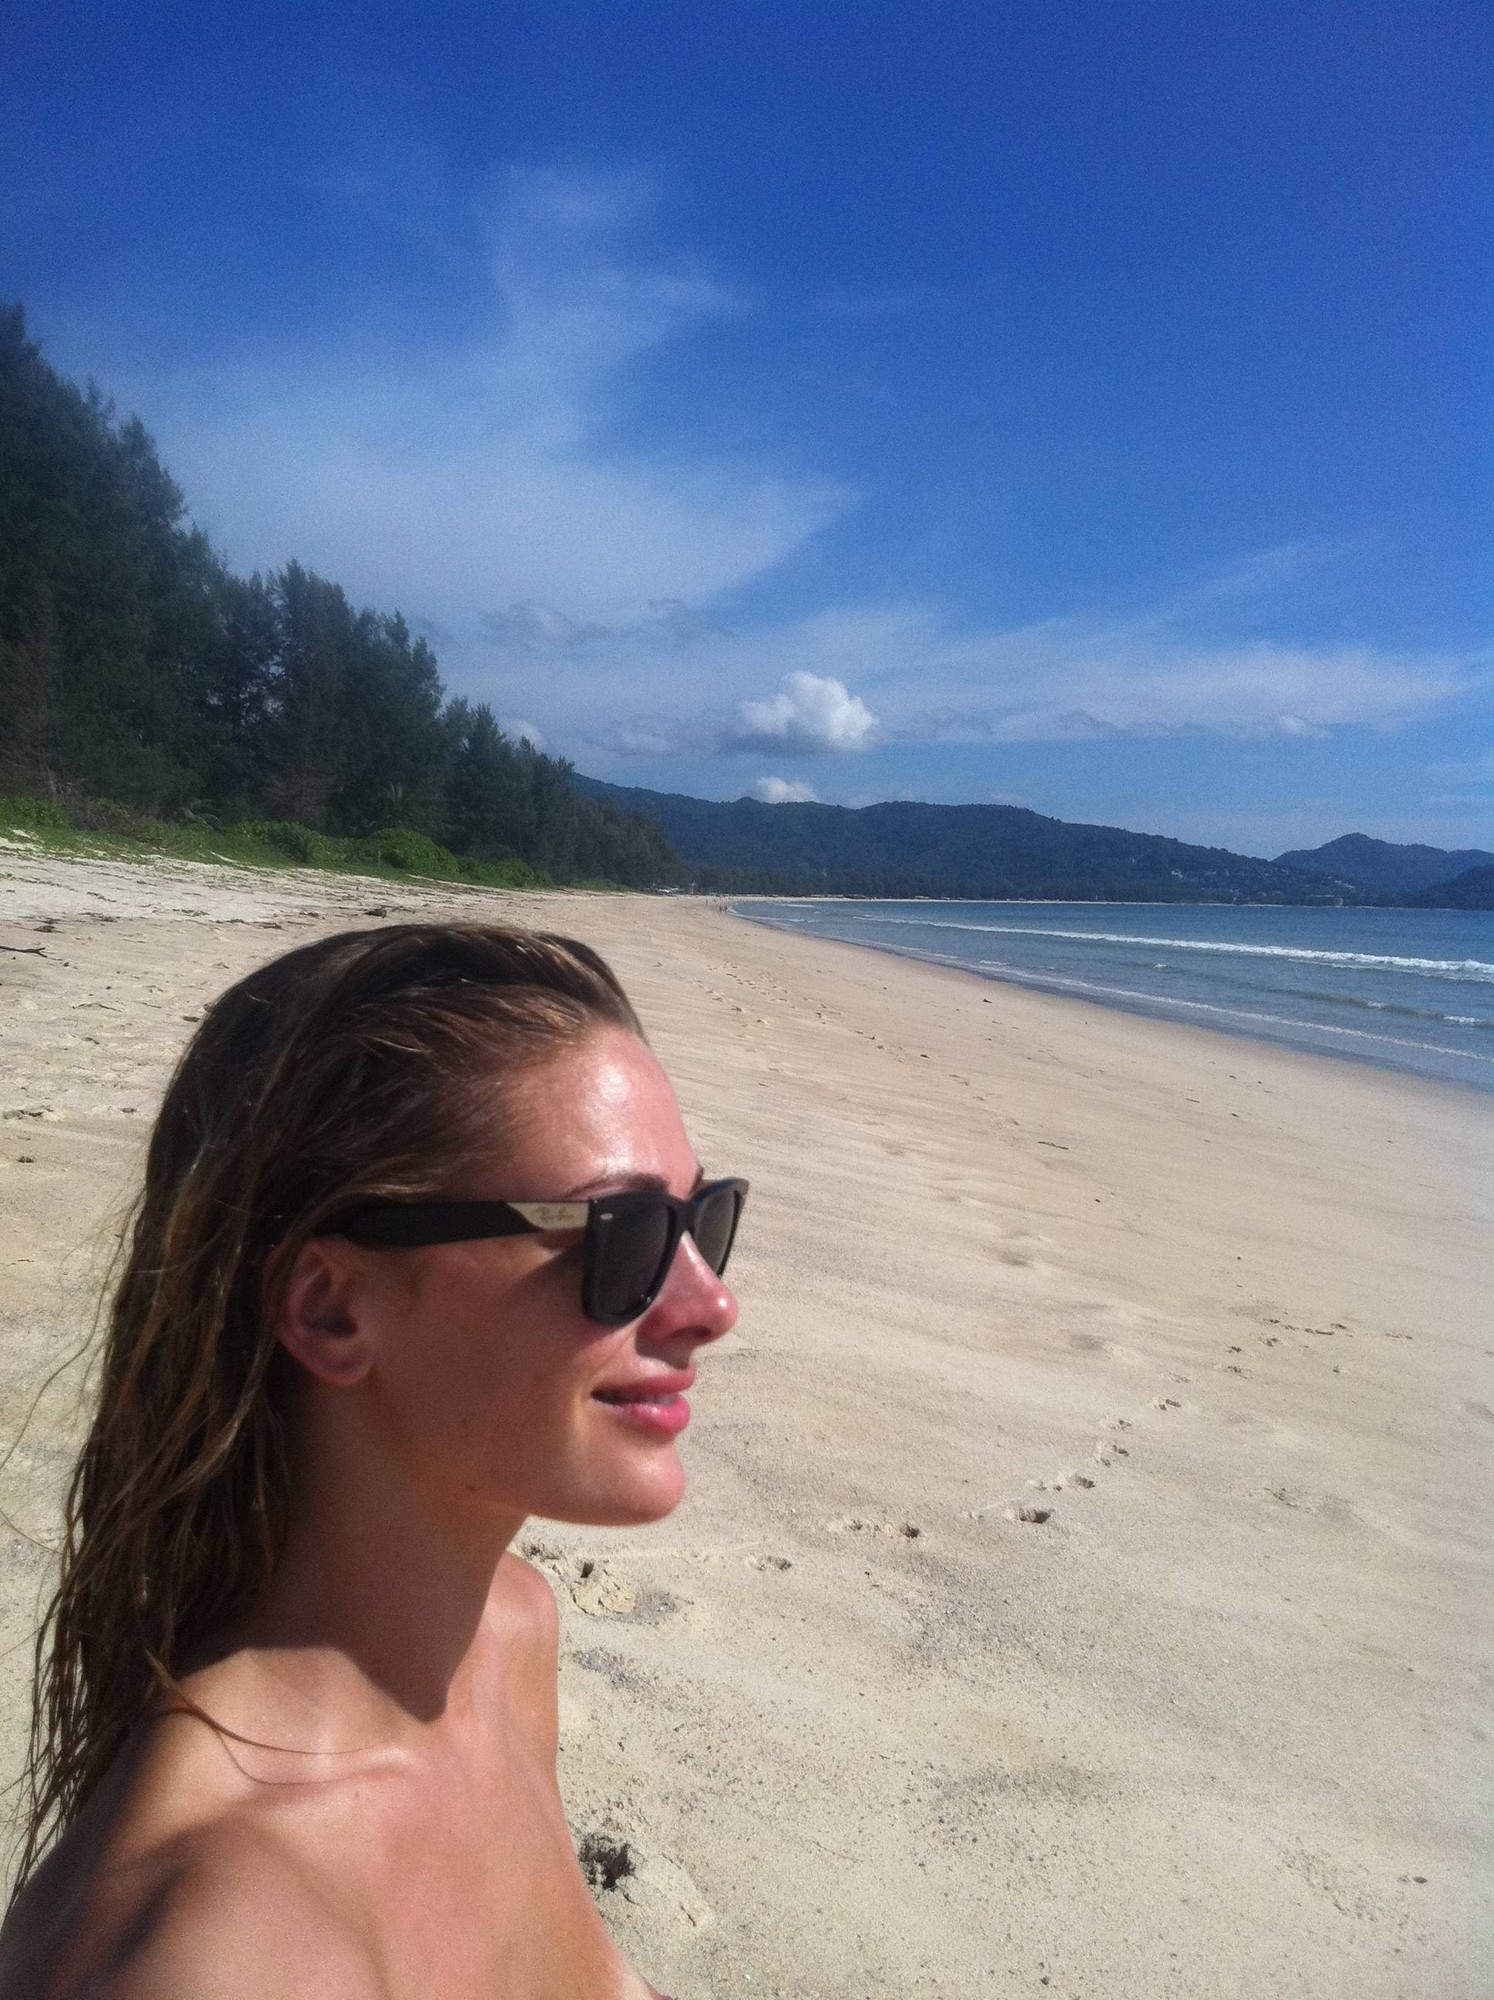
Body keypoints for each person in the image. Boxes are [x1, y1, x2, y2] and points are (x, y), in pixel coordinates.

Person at [0, 922, 744, 1998]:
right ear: (331, 1308)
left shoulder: (507, 1633)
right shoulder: (222, 1955)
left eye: (703, 1220)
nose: (711, 1304)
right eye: (622, 1233)